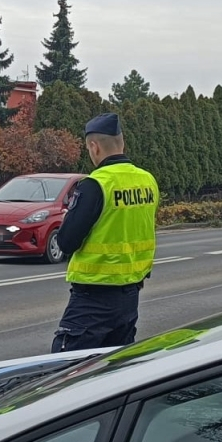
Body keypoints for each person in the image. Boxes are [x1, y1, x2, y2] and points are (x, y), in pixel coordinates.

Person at [51, 113, 159, 353]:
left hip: (94, 296)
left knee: (65, 367)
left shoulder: (96, 184)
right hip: (130, 294)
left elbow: (66, 242)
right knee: (115, 365)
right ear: (122, 142)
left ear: (94, 146)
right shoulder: (147, 180)